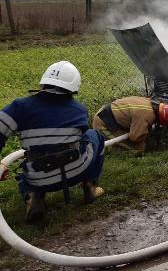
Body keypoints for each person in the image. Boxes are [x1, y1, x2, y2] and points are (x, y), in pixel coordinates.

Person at [0, 61, 105, 223]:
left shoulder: (19, 107)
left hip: (39, 178)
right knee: (96, 136)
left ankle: (33, 195)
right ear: (74, 87)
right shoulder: (80, 109)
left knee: (24, 175)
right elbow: (83, 137)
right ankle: (90, 186)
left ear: (44, 83)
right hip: (76, 171)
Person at [92, 97, 168, 152]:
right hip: (103, 123)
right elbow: (134, 137)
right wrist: (146, 134)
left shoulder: (150, 102)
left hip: (108, 115)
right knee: (139, 148)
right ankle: (111, 151)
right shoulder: (146, 115)